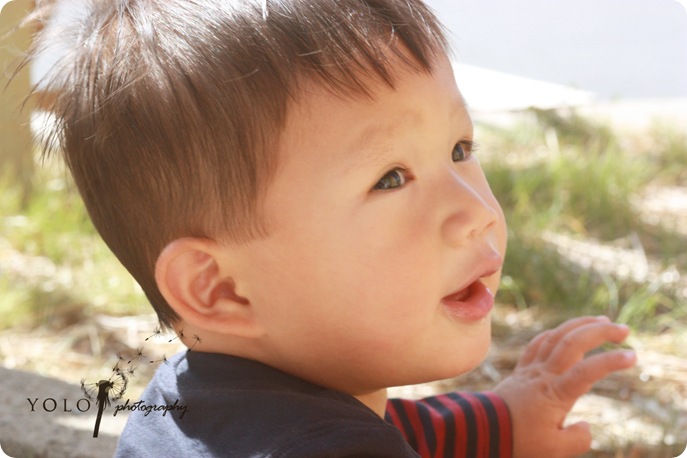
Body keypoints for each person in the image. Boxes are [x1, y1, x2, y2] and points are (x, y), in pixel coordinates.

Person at [23, 0, 636, 456]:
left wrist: (500, 424)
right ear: (221, 289)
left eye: (460, 149)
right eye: (391, 178)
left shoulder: (193, 404)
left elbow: (378, 428)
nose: (477, 211)